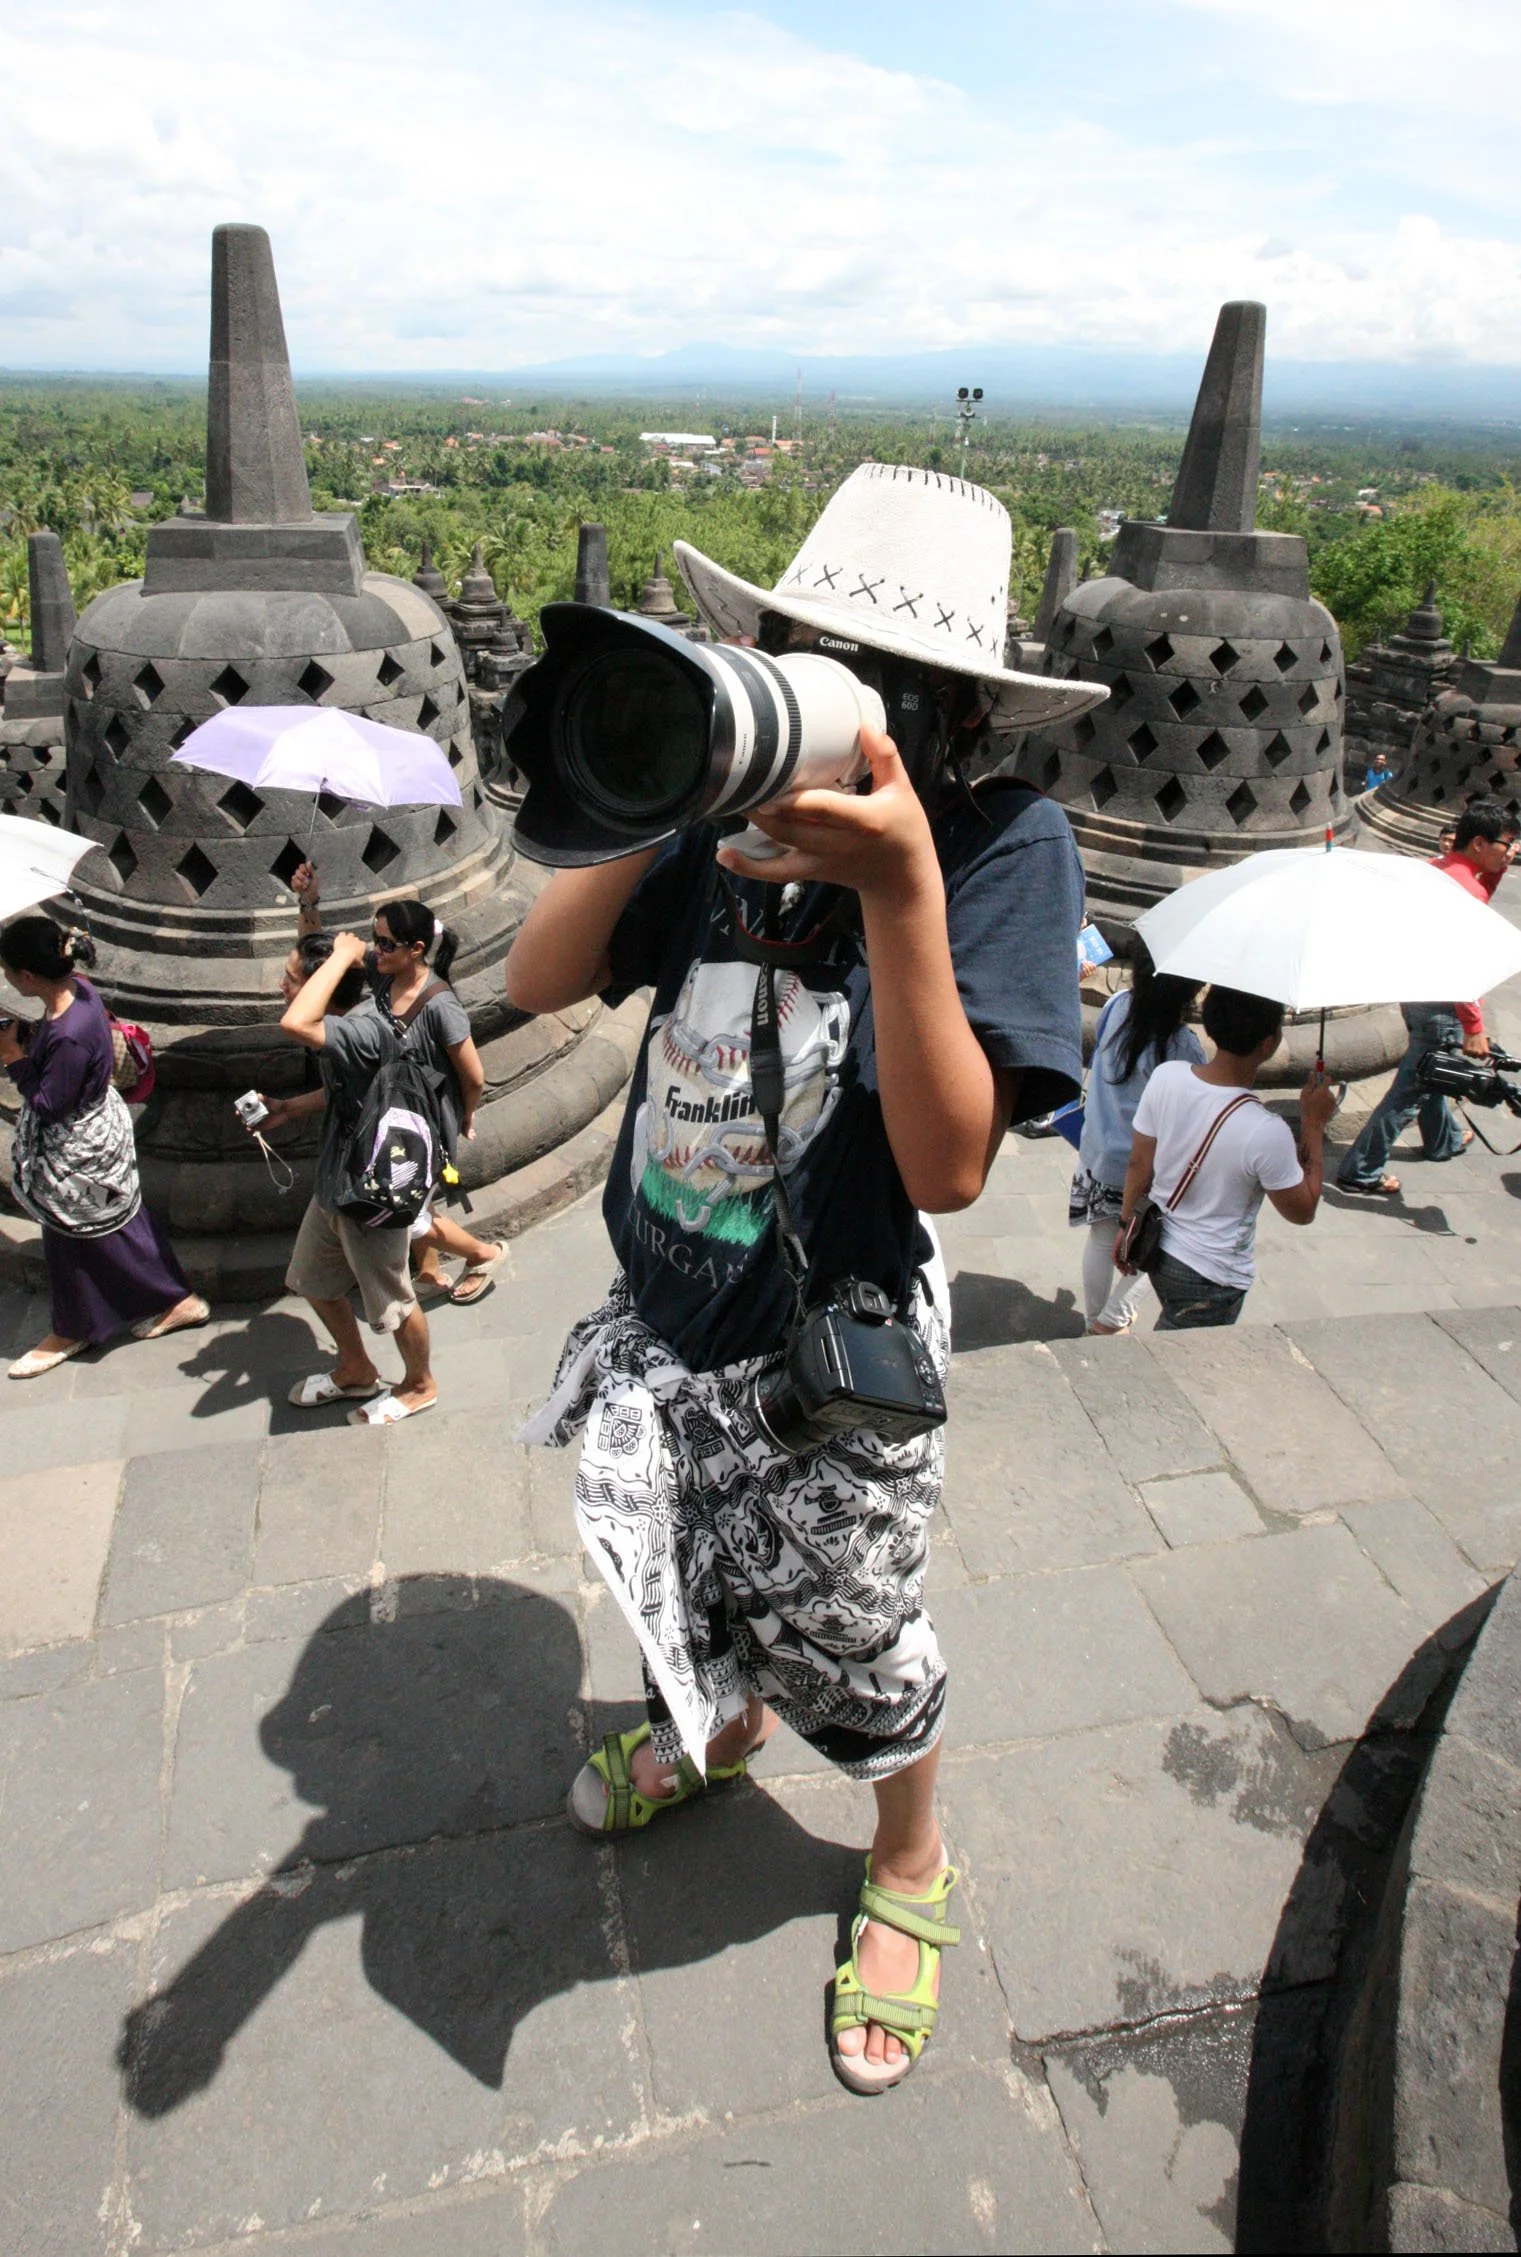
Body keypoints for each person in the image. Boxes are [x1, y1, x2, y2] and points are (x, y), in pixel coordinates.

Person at [507, 463, 1094, 2095]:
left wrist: (894, 879)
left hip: (838, 1336)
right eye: (790, 651)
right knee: (667, 1574)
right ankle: (720, 1723)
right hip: (671, 1310)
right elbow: (542, 973)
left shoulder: (995, 845)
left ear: (953, 719)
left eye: (867, 678)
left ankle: (906, 1850)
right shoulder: (719, 831)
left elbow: (947, 1169)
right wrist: (672, 786)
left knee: (843, 1618)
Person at [0, 918, 207, 1378]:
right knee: (115, 1222)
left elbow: (51, 1102)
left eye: (9, 971)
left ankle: (75, 1326)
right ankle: (174, 1298)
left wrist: (15, 1059)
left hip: (77, 1153)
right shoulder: (81, 990)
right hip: (95, 1137)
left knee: (73, 1233)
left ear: (28, 978)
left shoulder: (69, 1032)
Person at [291, 866, 502, 1304]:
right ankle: (427, 1269)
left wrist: (466, 1114)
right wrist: (309, 903)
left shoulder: (441, 1004)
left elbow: (475, 1075)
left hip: (425, 1116)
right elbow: (318, 958)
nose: (376, 949)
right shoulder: (385, 972)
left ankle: (484, 1253)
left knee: (415, 1212)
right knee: (415, 1196)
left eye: (386, 943)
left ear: (417, 950)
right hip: (391, 1106)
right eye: (376, 939)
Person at [264, 929, 438, 1424]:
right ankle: (356, 1368)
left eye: (290, 977)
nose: (282, 985)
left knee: (394, 1304)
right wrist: (290, 1109)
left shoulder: (359, 1029)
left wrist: (341, 955)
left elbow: (295, 1021)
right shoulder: (343, 1024)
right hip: (336, 1180)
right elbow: (344, 1089)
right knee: (312, 1278)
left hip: (370, 1188)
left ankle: (420, 1384)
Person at [1118, 984, 1335, 1330]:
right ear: (1268, 1043)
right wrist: (1313, 1124)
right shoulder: (1267, 1130)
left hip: (1157, 1246)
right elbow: (1302, 1210)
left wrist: (1126, 1223)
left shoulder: (1166, 1077)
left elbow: (1139, 1164)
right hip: (1211, 1273)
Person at [1337, 799, 1519, 1197]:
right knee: (1409, 1092)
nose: (1512, 851)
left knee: (1434, 1072)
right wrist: (1474, 1026)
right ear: (1478, 843)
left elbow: (1474, 894)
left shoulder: (1441, 869)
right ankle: (1360, 1170)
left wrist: (1499, 870)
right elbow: (1462, 963)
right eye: (1506, 844)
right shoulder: (1467, 890)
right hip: (1445, 1001)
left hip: (1419, 993)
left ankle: (1443, 1140)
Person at [1069, 941, 1203, 1334]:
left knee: (1101, 1235)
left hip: (1098, 1150)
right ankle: (1112, 1319)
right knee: (1158, 1243)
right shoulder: (1182, 1046)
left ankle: (1094, 1317)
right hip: (1145, 1168)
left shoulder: (1117, 1006)